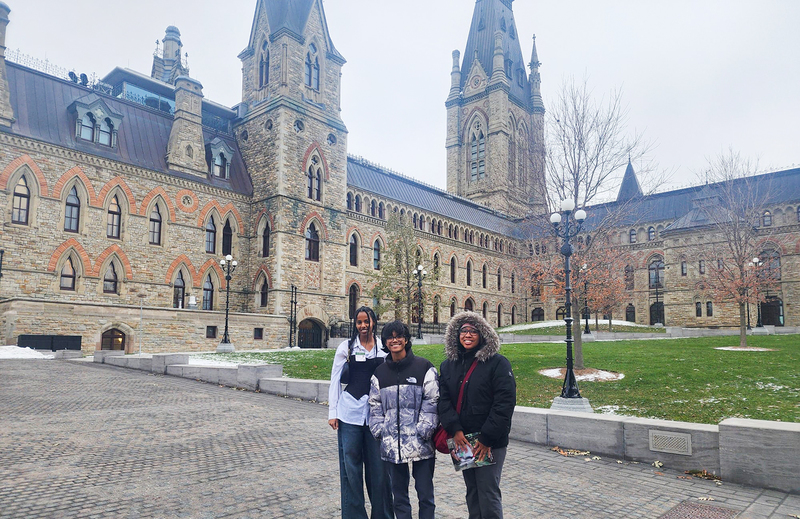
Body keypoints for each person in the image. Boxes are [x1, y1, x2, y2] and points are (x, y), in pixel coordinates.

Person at [438, 311, 516, 519]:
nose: (468, 335)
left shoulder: (498, 363)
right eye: (464, 331)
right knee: (472, 491)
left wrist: (487, 438)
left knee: (488, 491)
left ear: (482, 334)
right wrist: (455, 430)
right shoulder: (448, 366)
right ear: (456, 334)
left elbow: (504, 403)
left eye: (473, 331)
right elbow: (443, 401)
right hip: (462, 440)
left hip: (488, 442)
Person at [368, 321, 438, 519]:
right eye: (390, 337)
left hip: (421, 443)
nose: (395, 340)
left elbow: (432, 399)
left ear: (406, 339)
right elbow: (374, 405)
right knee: (399, 497)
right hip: (392, 444)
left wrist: (425, 429)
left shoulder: (424, 367)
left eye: (399, 336)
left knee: (425, 496)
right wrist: (379, 430)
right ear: (385, 342)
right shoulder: (380, 373)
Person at [328, 307, 393, 519]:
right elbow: (335, 380)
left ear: (374, 322)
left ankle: (382, 515)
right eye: (359, 322)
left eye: (367, 321)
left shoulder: (384, 349)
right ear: (355, 324)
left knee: (379, 471)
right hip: (350, 414)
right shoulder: (346, 348)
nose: (363, 326)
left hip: (377, 416)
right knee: (351, 469)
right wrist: (333, 412)